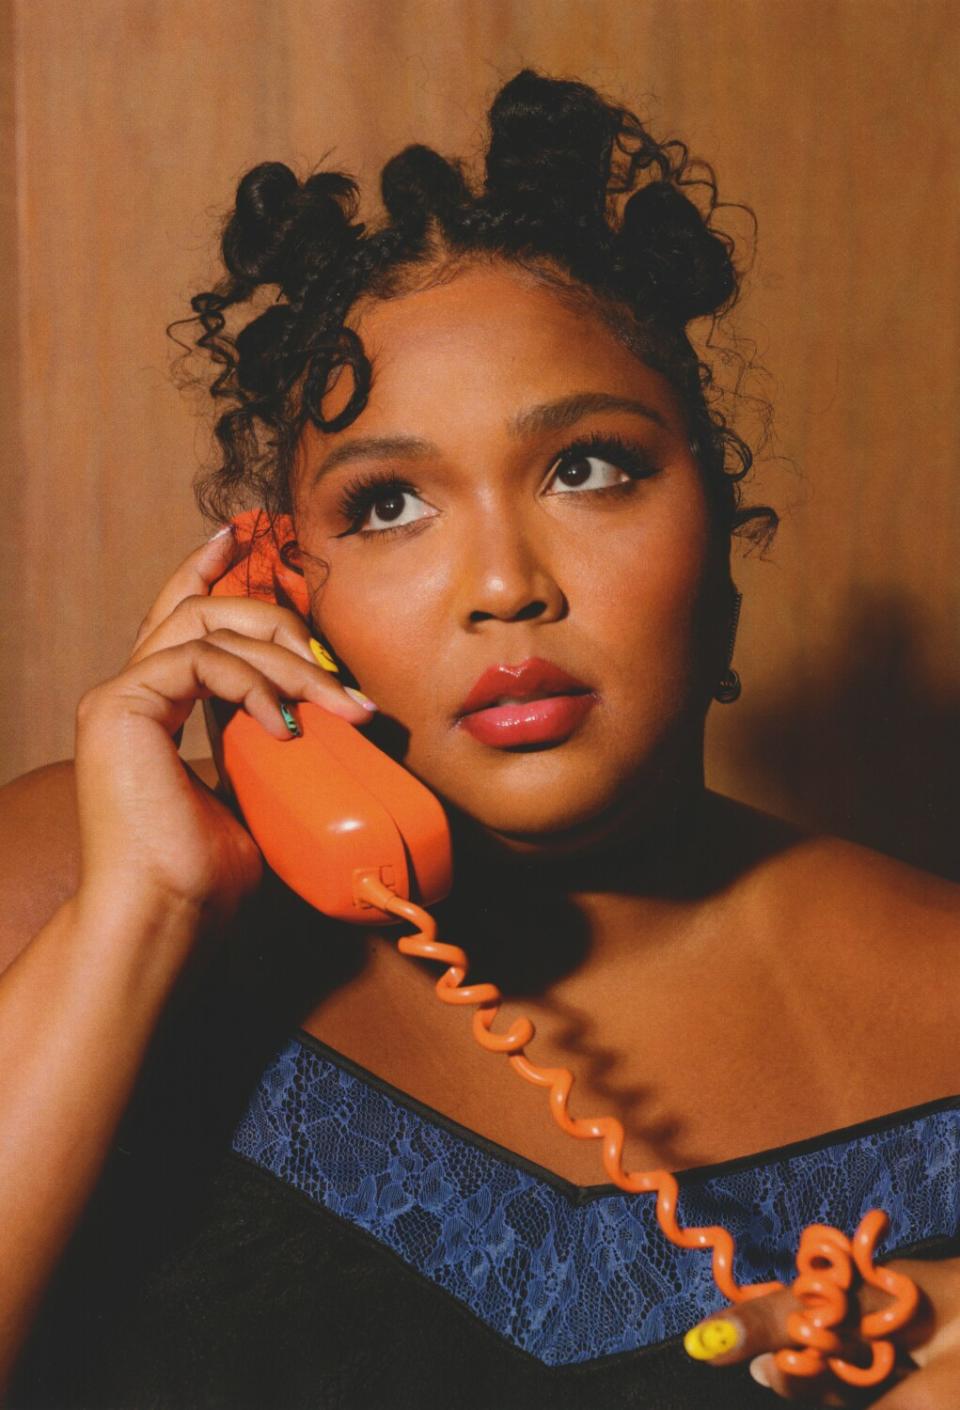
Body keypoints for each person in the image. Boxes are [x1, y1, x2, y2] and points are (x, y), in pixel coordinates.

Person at [0, 68, 958, 1410]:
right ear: (273, 586)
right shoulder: (67, 885)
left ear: (720, 539)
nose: (504, 583)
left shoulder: (942, 997)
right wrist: (138, 919)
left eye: (588, 467)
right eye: (389, 501)